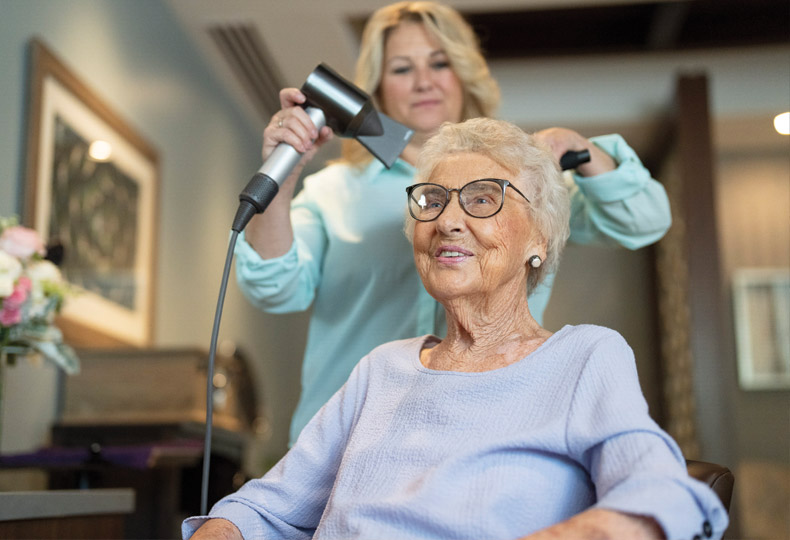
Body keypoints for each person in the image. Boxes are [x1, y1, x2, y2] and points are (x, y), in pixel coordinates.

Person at [185, 118, 726, 540]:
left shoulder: (584, 357)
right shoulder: (381, 369)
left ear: (540, 240)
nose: (447, 219)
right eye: (432, 201)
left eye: (484, 198)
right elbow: (261, 510)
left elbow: (660, 495)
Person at [235, 1, 672, 446]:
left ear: (464, 74)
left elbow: (644, 220)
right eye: (402, 68)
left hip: (487, 429)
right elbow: (274, 286)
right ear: (378, 87)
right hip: (349, 437)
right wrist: (284, 174)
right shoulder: (334, 192)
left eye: (440, 63)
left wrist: (572, 145)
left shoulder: (526, 189)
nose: (424, 81)